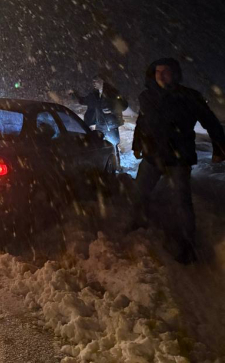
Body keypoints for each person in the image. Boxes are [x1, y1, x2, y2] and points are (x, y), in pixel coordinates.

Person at [132, 58, 225, 263]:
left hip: (178, 158)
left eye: (167, 71)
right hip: (152, 156)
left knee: (182, 202)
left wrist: (220, 146)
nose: (162, 75)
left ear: (175, 74)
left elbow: (210, 121)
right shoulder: (146, 96)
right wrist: (137, 144)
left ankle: (187, 245)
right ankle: (138, 226)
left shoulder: (189, 96)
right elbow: (142, 121)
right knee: (139, 192)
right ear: (153, 74)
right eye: (158, 71)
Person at [72, 74, 128, 163]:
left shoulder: (112, 92)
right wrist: (74, 94)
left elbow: (124, 105)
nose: (93, 83)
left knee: (113, 145)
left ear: (102, 80)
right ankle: (103, 166)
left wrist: (112, 109)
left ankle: (117, 166)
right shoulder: (94, 94)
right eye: (93, 81)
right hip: (99, 125)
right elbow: (83, 101)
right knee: (100, 146)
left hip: (111, 125)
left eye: (96, 81)